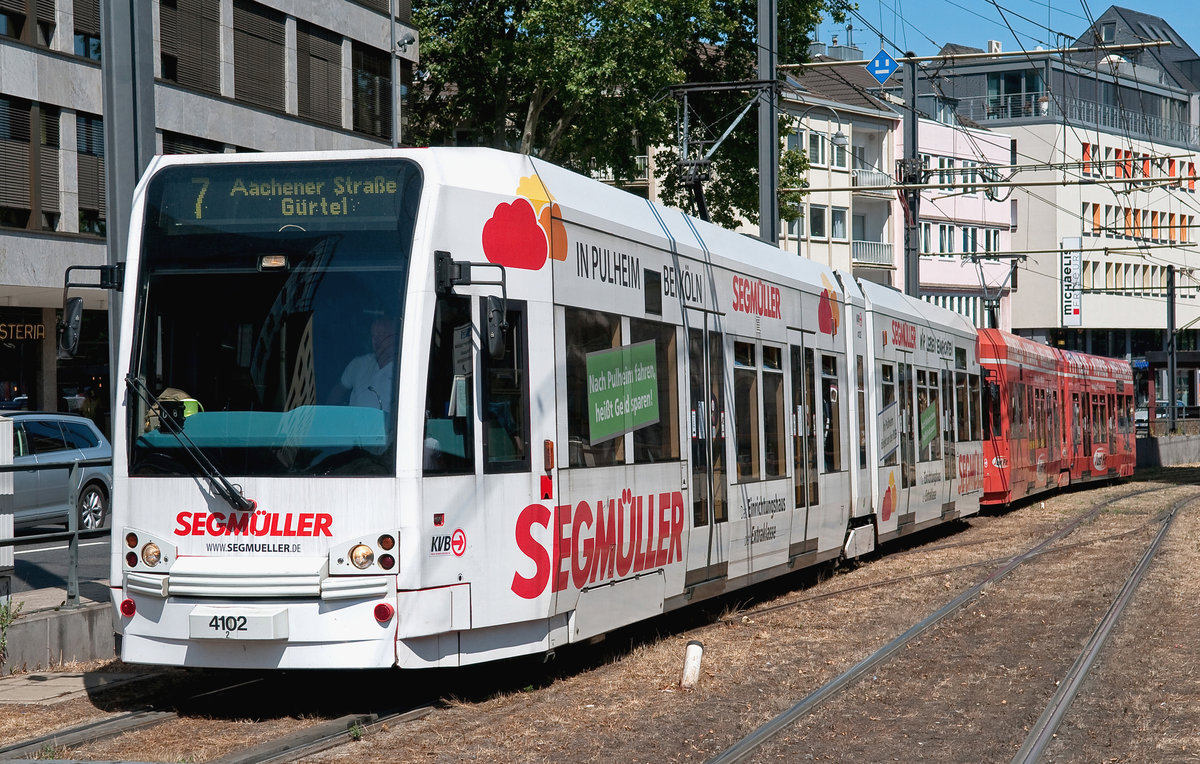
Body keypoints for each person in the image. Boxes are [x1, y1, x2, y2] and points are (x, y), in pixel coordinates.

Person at [328, 314, 397, 414]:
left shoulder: (404, 369)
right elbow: (338, 391)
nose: (376, 340)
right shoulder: (359, 364)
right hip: (354, 427)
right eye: (374, 336)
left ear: (394, 338)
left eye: (382, 334)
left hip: (387, 429)